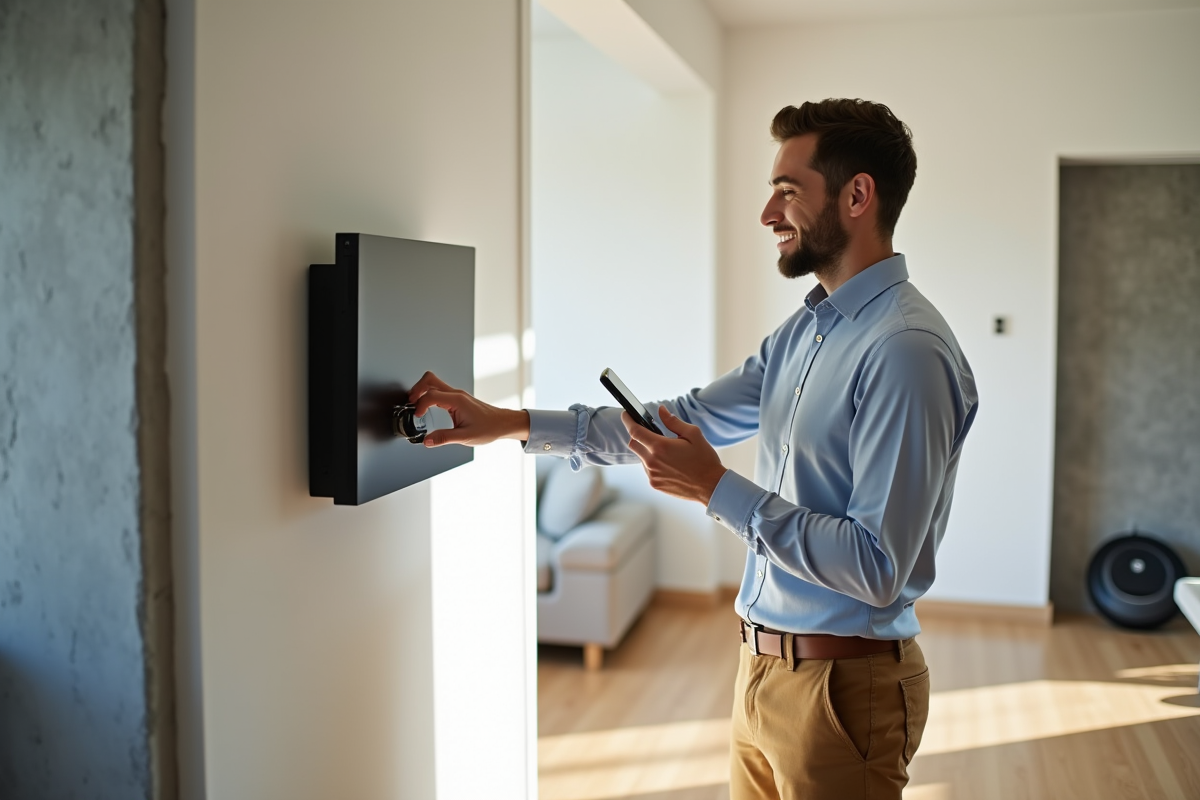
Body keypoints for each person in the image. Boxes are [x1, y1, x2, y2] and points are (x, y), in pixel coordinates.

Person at [408, 98, 978, 800]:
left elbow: (877, 565)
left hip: (843, 689)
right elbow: (670, 423)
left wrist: (717, 490)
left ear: (858, 195)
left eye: (788, 191)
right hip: (762, 669)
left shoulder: (905, 352)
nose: (768, 214)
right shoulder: (804, 335)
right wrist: (508, 421)